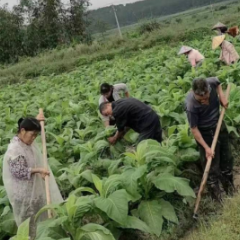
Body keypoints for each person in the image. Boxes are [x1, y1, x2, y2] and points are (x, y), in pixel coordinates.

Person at [3, 114, 63, 239]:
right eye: (32, 135)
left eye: (36, 135)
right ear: (23, 131)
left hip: (34, 192)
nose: (34, 138)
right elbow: (18, 171)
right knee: (28, 224)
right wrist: (38, 170)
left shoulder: (27, 143)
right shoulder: (14, 149)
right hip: (23, 196)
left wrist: (37, 119)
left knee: (40, 218)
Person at [185, 77, 234, 201]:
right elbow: (194, 129)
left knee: (226, 158)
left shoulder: (210, 83)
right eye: (201, 100)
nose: (205, 101)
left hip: (219, 124)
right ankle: (218, 200)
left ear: (208, 90)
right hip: (205, 133)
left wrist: (222, 97)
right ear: (194, 93)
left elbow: (218, 82)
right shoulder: (191, 106)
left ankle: (231, 191)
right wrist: (206, 148)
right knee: (211, 167)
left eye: (206, 98)